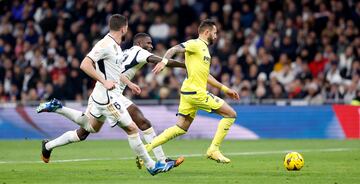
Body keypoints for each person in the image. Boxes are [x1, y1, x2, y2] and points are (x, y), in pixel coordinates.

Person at [36, 14, 175, 176]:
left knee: (88, 128)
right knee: (131, 129)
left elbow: (115, 72)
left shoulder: (116, 46)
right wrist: (104, 81)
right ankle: (152, 166)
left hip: (103, 95)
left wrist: (129, 83)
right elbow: (85, 64)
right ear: (124, 28)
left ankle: (57, 112)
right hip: (107, 97)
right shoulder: (105, 44)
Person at [149, 19, 240, 163]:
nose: (216, 36)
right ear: (207, 32)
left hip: (187, 93)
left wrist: (225, 89)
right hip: (196, 92)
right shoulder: (195, 44)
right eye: (215, 33)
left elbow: (206, 75)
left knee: (181, 127)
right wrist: (164, 62)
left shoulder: (205, 51)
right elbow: (173, 49)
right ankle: (213, 150)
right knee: (230, 114)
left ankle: (147, 148)